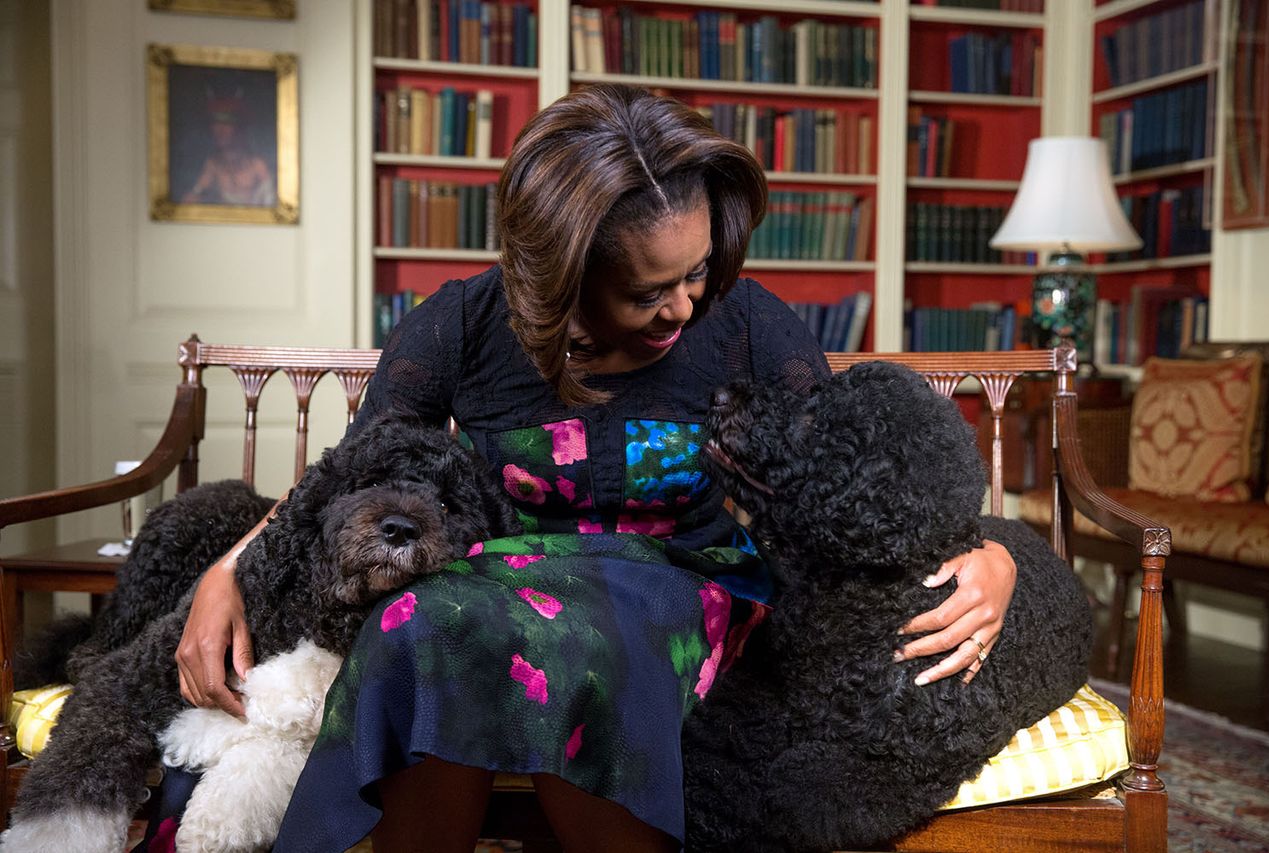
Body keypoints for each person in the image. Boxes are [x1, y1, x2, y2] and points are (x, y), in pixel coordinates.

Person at [168, 84, 1018, 853]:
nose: (684, 304)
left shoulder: (745, 322)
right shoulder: (463, 325)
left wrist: (989, 551)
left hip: (682, 581)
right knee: (422, 625)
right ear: (561, 279)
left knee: (581, 641)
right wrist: (229, 569)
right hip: (491, 582)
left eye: (695, 272)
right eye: (650, 290)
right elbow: (354, 472)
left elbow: (853, 471)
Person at [180, 91, 275, 207]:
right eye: (216, 124)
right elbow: (196, 193)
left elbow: (271, 204)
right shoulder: (213, 164)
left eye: (227, 124)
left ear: (239, 130)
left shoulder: (258, 166)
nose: (220, 130)